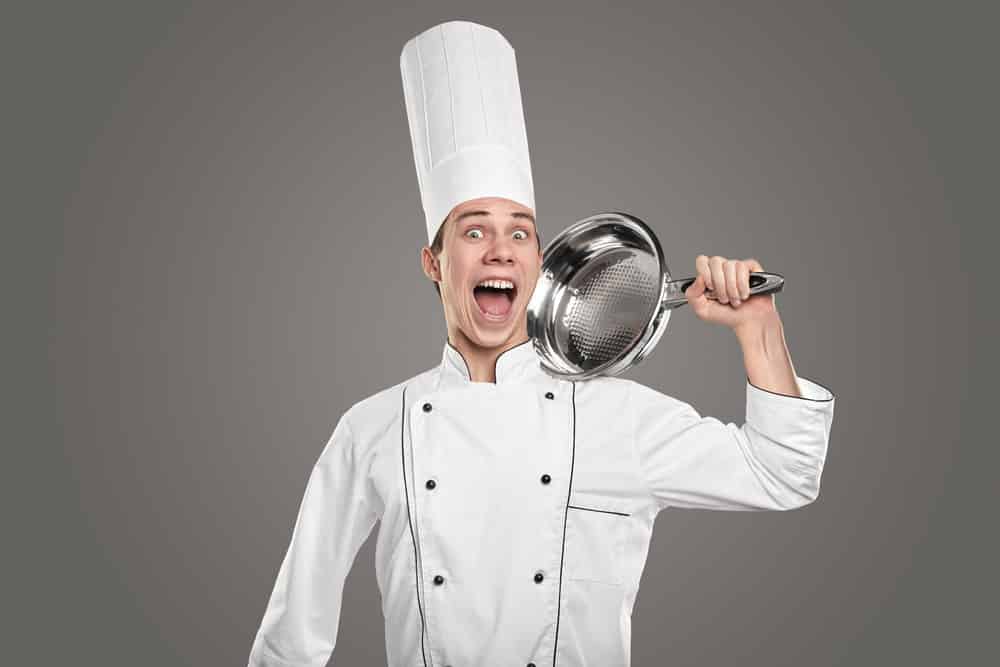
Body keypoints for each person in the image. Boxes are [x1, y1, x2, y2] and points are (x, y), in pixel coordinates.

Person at [247, 20, 836, 667]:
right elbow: (291, 638)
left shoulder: (619, 416)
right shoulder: (373, 429)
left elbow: (783, 473)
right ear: (433, 262)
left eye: (520, 232)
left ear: (538, 264)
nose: (501, 247)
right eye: (473, 232)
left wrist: (758, 326)